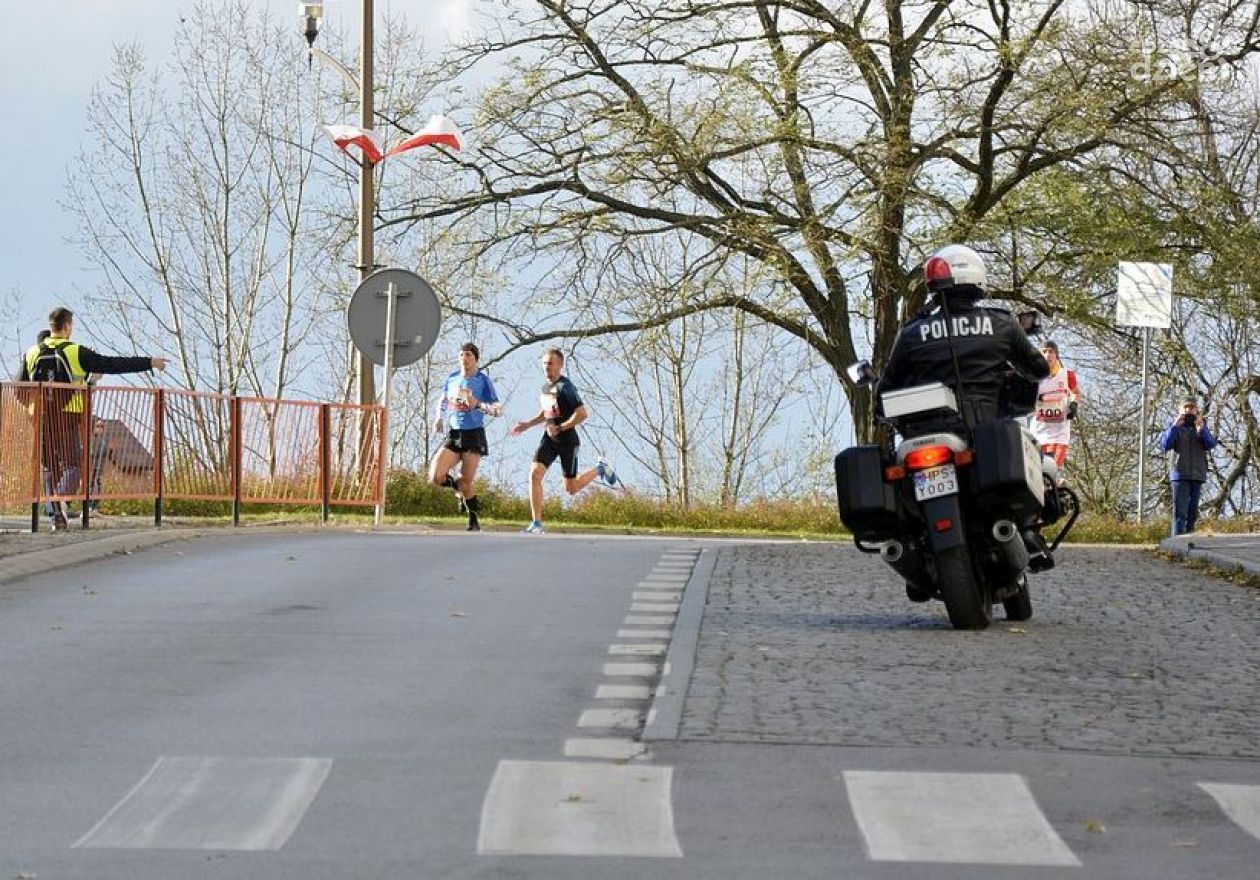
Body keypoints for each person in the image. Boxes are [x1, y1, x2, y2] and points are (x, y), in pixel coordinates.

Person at [876, 243, 1053, 570]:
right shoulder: (1001, 323)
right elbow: (1038, 369)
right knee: (1031, 458)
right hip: (985, 431)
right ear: (976, 278)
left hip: (924, 434)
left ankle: (914, 549)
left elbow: (885, 393)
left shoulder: (912, 333)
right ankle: (1028, 534)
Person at [17, 307, 168, 531]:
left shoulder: (31, 353)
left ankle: (55, 516)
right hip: (68, 417)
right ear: (67, 326)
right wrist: (149, 362)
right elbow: (112, 364)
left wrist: (33, 410)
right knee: (72, 466)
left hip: (41, 418)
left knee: (50, 468)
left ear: (51, 326)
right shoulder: (75, 351)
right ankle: (60, 500)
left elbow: (20, 390)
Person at [508, 348, 619, 534]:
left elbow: (582, 413)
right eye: (544, 364)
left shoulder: (566, 387)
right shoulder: (545, 388)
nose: (547, 367)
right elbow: (546, 412)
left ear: (560, 365)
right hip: (549, 439)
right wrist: (528, 424)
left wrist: (560, 428)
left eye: (550, 363)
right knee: (534, 474)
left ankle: (601, 469)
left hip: (568, 440)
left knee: (572, 488)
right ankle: (536, 523)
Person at [429, 342, 501, 531]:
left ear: (475, 359)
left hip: (473, 434)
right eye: (461, 355)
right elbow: (443, 400)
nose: (464, 359)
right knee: (436, 476)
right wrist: (438, 418)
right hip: (454, 433)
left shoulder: (483, 381)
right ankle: (459, 492)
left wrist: (477, 404)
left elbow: (497, 410)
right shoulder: (452, 378)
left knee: (466, 481)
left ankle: (473, 518)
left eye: (468, 355)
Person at [1159, 398, 1218, 536]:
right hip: (1180, 475)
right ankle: (1177, 542)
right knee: (1180, 513)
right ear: (1180, 410)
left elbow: (1211, 444)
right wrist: (1174, 426)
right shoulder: (1174, 428)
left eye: (1191, 407)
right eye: (1185, 407)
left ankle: (1189, 542)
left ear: (1196, 410)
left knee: (1192, 513)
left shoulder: (1202, 427)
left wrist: (1201, 429)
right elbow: (1165, 444)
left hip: (1197, 475)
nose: (1188, 410)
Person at [1029, 340, 1080, 469]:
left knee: (1053, 467)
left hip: (1059, 431)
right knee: (1037, 468)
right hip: (1039, 430)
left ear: (1056, 355)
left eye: (1051, 351)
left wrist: (1074, 404)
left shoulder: (1067, 374)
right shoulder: (1033, 377)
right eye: (1044, 352)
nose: (1048, 355)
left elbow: (1076, 393)